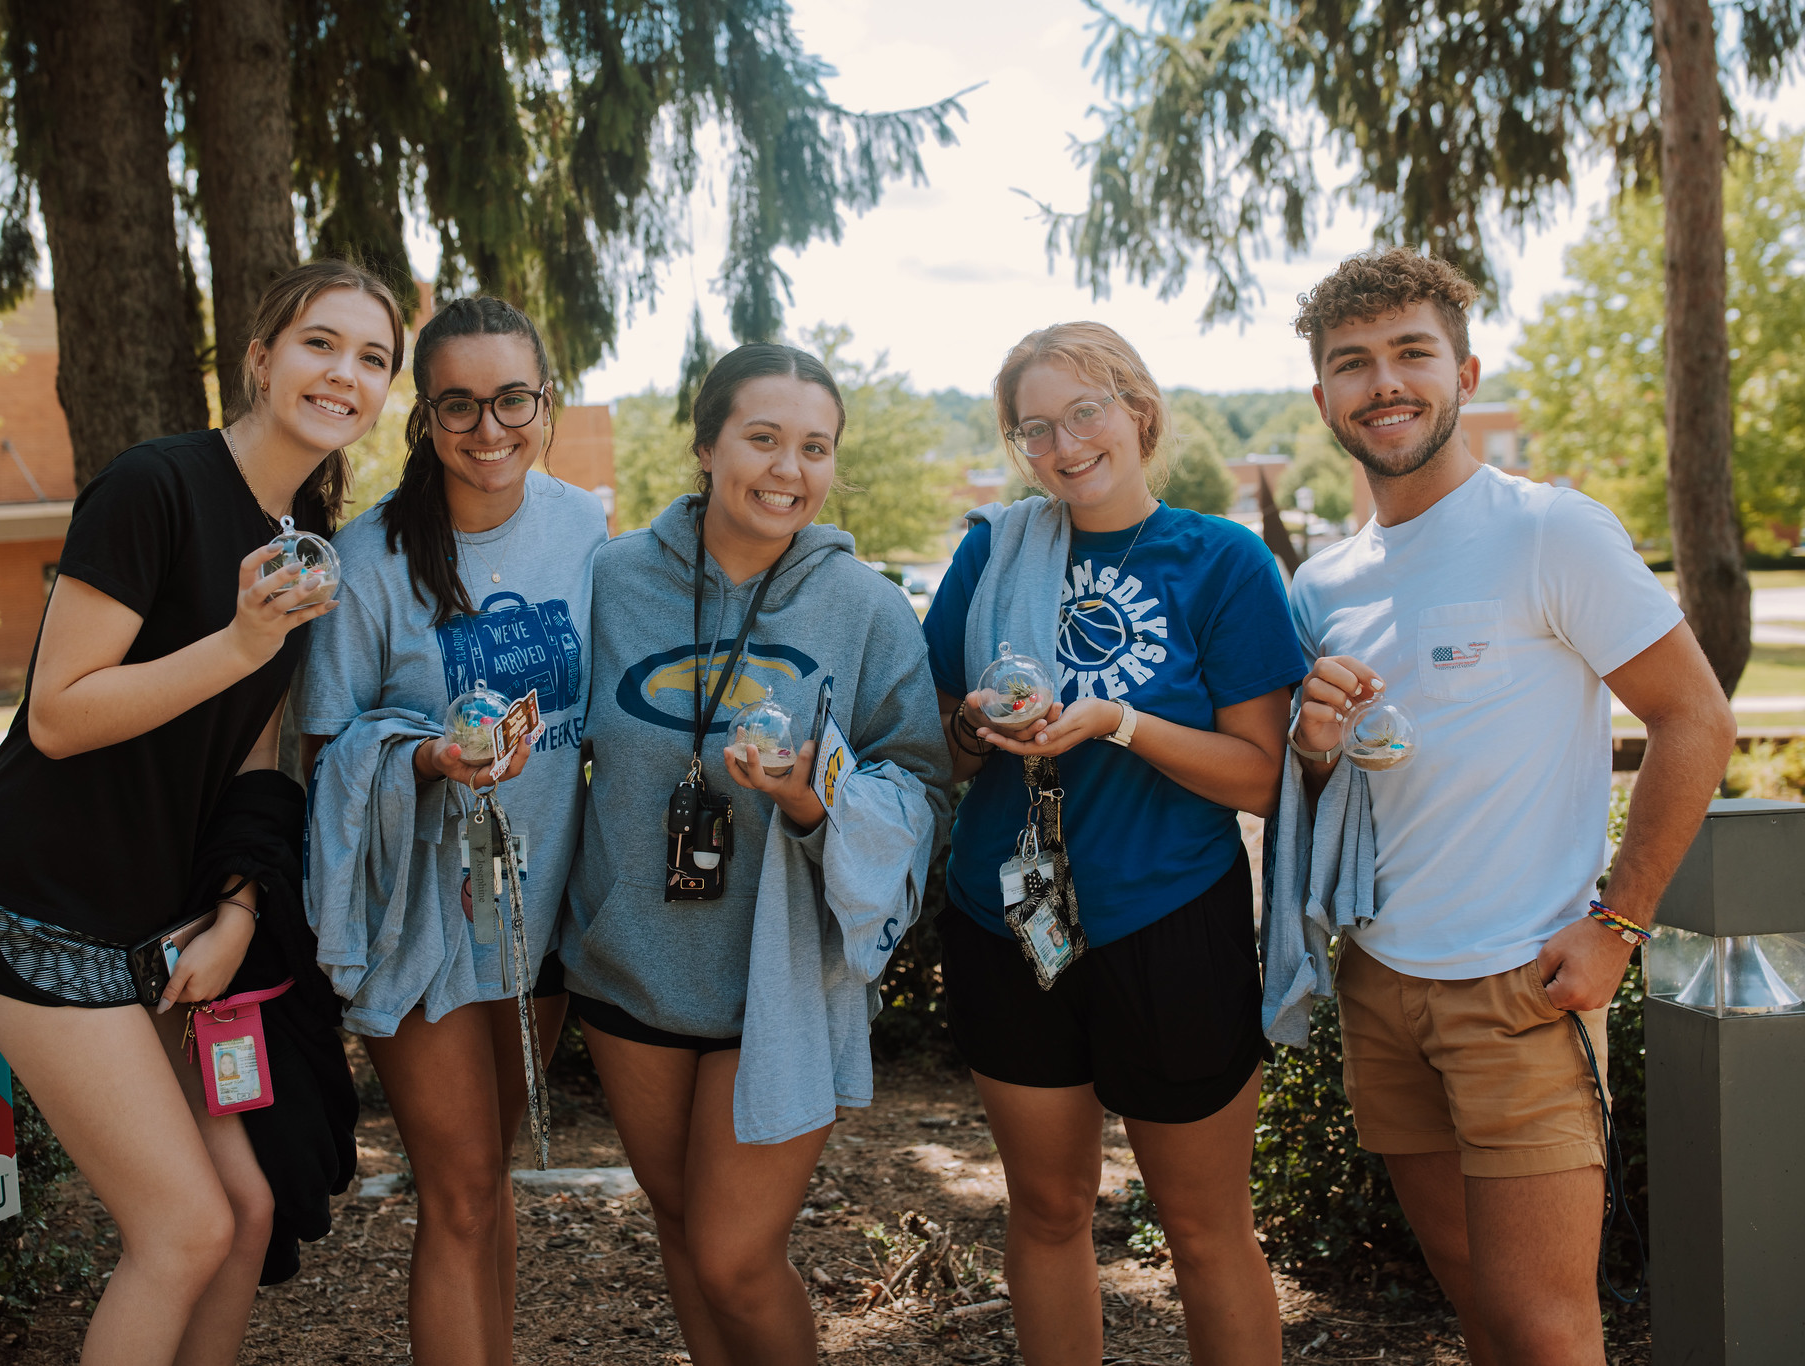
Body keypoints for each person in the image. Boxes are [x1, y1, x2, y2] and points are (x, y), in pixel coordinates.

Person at [0, 260, 403, 1366]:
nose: (344, 373)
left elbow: (246, 743)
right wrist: (240, 643)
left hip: (158, 930)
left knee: (243, 1216)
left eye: (372, 358)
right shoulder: (152, 485)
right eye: (318, 343)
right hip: (41, 908)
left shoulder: (301, 535)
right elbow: (57, 714)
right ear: (259, 356)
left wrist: (239, 905)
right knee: (183, 1228)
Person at [1283, 248, 1736, 1365]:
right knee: (1476, 1309)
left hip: (1521, 988)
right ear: (1321, 398)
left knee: (1543, 1328)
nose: (1381, 382)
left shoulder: (1549, 531)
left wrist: (1616, 926)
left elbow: (1695, 719)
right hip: (1379, 982)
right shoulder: (1320, 585)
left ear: (1464, 371)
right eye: (1351, 363)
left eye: (1409, 354)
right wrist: (1312, 748)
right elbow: (1326, 795)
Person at [921, 321, 1302, 1366]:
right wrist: (973, 729)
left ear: (1137, 411)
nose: (1062, 443)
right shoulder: (991, 549)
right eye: (1032, 427)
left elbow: (1259, 773)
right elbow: (940, 741)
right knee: (1046, 1210)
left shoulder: (1219, 559)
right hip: (1005, 922)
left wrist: (1114, 722)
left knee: (1202, 1228)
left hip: (1167, 921)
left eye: (1083, 411)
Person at [563, 343, 949, 1366]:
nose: (787, 468)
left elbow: (919, 779)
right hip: (631, 965)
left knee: (736, 1253)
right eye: (763, 438)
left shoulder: (862, 604)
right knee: (684, 1236)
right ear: (704, 444)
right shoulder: (607, 582)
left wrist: (816, 798)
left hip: (778, 974)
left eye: (813, 446)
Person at [298, 295, 604, 1365]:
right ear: (422, 417)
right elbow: (324, 751)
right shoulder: (368, 561)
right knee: (460, 1188)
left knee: (492, 1179)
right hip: (419, 911)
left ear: (544, 399)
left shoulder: (588, 528)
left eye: (512, 398)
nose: (489, 428)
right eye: (458, 404)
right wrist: (424, 755)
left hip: (541, 902)